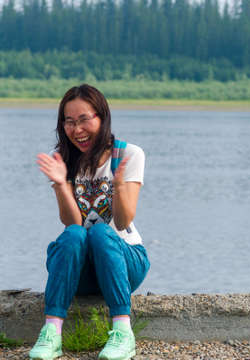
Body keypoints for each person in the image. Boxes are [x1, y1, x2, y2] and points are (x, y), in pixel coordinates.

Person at [30, 84, 150, 360]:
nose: (77, 129)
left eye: (84, 119)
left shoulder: (129, 155)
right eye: (69, 122)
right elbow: (72, 222)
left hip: (124, 261)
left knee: (99, 234)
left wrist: (118, 187)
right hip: (81, 269)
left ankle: (123, 333)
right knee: (73, 235)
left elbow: (122, 221)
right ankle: (51, 334)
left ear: (102, 117)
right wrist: (61, 184)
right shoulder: (66, 160)